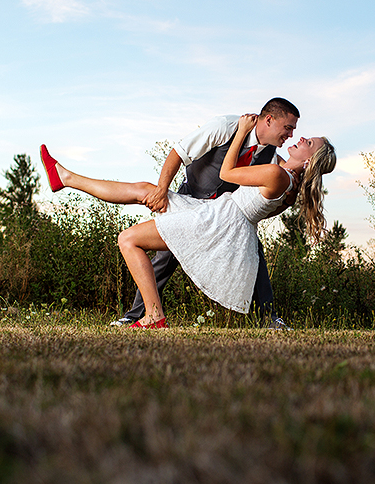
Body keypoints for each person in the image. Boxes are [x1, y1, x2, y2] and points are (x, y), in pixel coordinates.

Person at [39, 113, 336, 329]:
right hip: (216, 212)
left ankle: (154, 315)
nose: (296, 137)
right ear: (269, 120)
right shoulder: (289, 180)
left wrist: (240, 134)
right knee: (145, 190)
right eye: (290, 129)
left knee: (129, 239)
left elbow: (227, 174)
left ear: (310, 160)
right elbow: (184, 154)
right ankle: (66, 178)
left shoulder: (275, 171)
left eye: (305, 140)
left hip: (218, 220)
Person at [120, 97, 301, 329]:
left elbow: (278, 189)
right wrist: (162, 191)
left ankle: (268, 319)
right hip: (191, 198)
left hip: (222, 215)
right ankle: (137, 314)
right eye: (288, 128)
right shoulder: (225, 126)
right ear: (269, 119)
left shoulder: (273, 156)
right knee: (165, 257)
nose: (291, 135)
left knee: (253, 252)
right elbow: (179, 152)